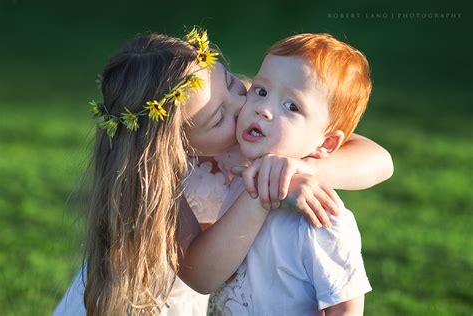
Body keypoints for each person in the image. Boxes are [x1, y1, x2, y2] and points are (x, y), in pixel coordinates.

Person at [54, 29, 393, 315]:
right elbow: (201, 274)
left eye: (234, 86)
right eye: (218, 118)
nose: (246, 107)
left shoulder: (256, 107)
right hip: (149, 302)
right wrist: (260, 194)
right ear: (177, 144)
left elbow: (379, 160)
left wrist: (292, 170)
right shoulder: (158, 178)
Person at [209, 33, 381, 315]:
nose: (263, 109)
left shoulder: (320, 214)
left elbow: (344, 307)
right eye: (261, 91)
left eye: (291, 106)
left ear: (325, 144)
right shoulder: (237, 179)